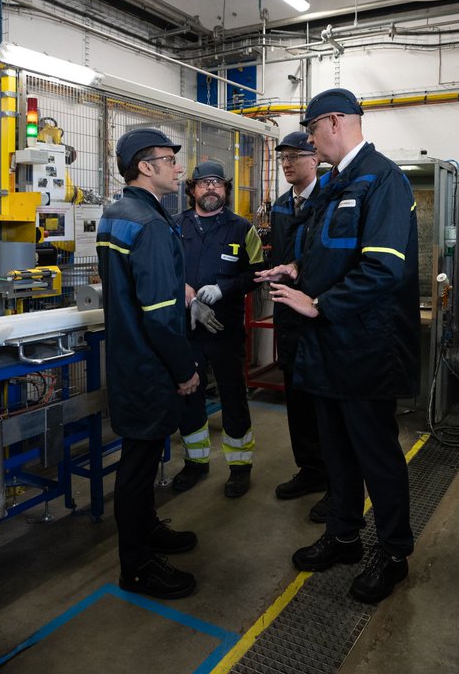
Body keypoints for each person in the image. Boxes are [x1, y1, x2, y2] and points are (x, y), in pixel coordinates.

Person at [256, 87, 421, 605]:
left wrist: (318, 304)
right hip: (326, 347)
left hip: (365, 345)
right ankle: (345, 536)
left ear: (332, 122)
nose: (307, 142)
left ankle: (393, 553)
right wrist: (298, 269)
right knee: (337, 452)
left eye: (309, 132)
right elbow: (333, 255)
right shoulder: (336, 183)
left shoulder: (382, 179)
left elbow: (383, 267)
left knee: (376, 455)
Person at [97, 127, 201, 600]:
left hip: (126, 358)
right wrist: (185, 371)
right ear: (146, 166)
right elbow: (161, 319)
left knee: (139, 459)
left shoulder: (116, 215)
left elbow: (132, 289)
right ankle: (136, 565)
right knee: (138, 467)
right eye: (169, 158)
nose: (179, 168)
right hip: (150, 364)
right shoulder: (153, 224)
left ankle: (147, 531)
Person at [171, 160, 265, 498]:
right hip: (187, 330)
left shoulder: (242, 229)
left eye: (217, 183)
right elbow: (164, 268)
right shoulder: (174, 226)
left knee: (233, 395)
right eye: (203, 183)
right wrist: (184, 291)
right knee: (189, 395)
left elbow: (257, 274)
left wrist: (224, 289)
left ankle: (240, 467)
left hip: (224, 330)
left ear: (225, 189)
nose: (211, 188)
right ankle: (196, 463)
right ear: (192, 189)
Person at [268, 130, 331, 522]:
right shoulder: (279, 206)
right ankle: (310, 470)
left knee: (325, 401)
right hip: (288, 315)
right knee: (296, 397)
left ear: (315, 159)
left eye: (295, 155)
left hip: (320, 312)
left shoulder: (330, 200)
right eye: (283, 158)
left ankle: (336, 478)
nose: (288, 163)